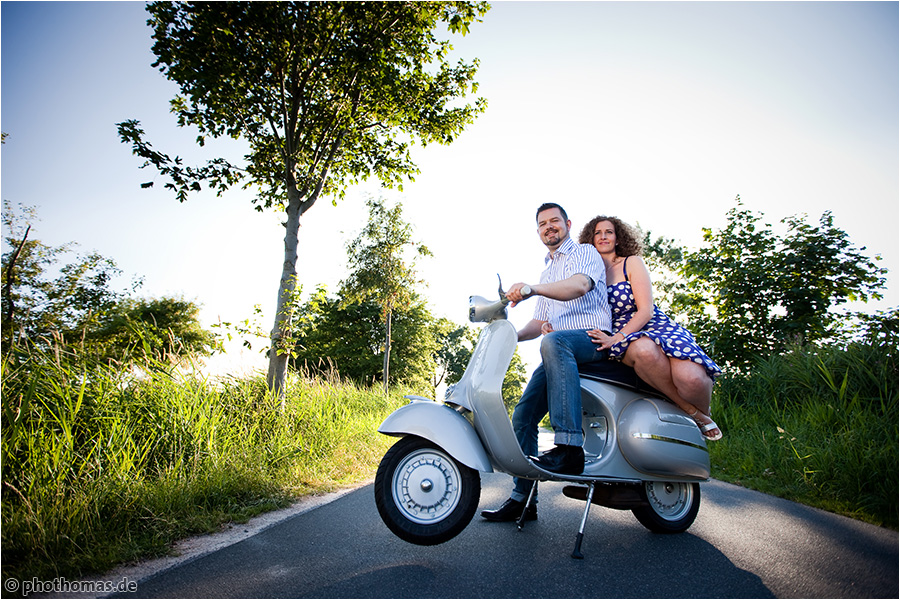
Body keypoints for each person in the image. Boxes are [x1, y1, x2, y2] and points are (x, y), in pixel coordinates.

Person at [481, 203, 612, 522]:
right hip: (560, 348)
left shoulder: (584, 253)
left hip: (591, 339)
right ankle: (522, 499)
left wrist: (531, 289)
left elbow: (579, 286)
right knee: (523, 416)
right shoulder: (547, 272)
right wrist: (506, 330)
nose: (549, 227)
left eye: (555, 221)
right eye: (543, 224)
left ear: (567, 223)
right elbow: (539, 323)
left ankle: (569, 448)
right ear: (538, 231)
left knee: (554, 341)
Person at [579, 215, 723, 440]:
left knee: (691, 379)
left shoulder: (631, 262)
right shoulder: (587, 272)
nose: (603, 236)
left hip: (652, 324)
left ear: (618, 238)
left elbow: (645, 310)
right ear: (590, 239)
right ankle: (693, 413)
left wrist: (619, 337)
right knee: (644, 351)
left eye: (609, 232)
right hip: (619, 334)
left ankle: (704, 415)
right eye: (597, 233)